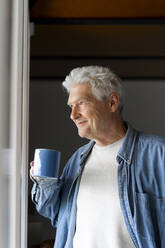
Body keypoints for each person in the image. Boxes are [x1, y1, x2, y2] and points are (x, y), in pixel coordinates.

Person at [30, 66, 165, 248]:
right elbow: (57, 216)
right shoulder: (77, 159)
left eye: (82, 103)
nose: (73, 115)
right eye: (71, 106)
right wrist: (44, 182)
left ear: (112, 103)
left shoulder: (158, 153)